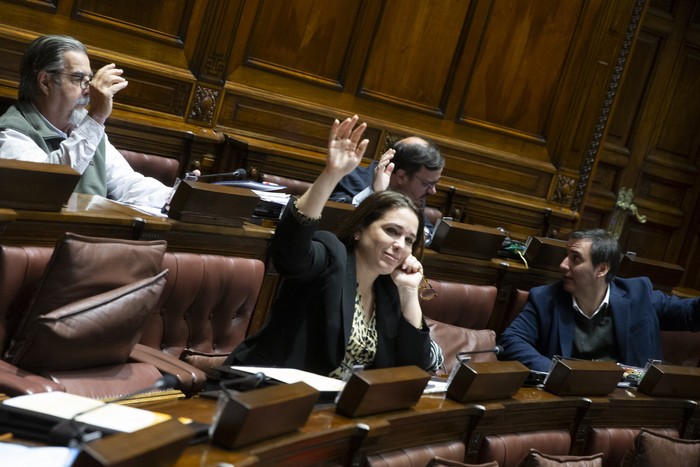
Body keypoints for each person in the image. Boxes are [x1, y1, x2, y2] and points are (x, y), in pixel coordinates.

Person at [225, 115, 444, 378]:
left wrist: (410, 293)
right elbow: (289, 253)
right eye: (391, 231)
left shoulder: (389, 289)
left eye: (409, 240)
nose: (399, 245)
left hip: (335, 411)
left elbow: (416, 364)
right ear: (360, 230)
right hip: (268, 392)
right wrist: (331, 174)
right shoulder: (331, 256)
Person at [0, 35, 172, 209]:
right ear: (45, 81)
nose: (89, 90)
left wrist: (175, 197)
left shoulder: (86, 126)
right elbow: (47, 187)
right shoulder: (11, 133)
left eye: (89, 80)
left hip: (90, 232)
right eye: (78, 79)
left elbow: (126, 183)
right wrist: (96, 117)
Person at [498, 228, 700, 373]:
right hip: (571, 399)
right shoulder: (545, 299)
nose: (562, 265)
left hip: (630, 401)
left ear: (602, 269)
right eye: (565, 256)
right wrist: (558, 372)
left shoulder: (639, 295)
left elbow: (691, 314)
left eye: (575, 259)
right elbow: (511, 340)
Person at [331, 136, 444, 242]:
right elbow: (338, 224)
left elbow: (428, 232)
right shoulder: (352, 178)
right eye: (428, 184)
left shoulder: (415, 193)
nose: (433, 191)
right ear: (401, 176)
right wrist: (376, 193)